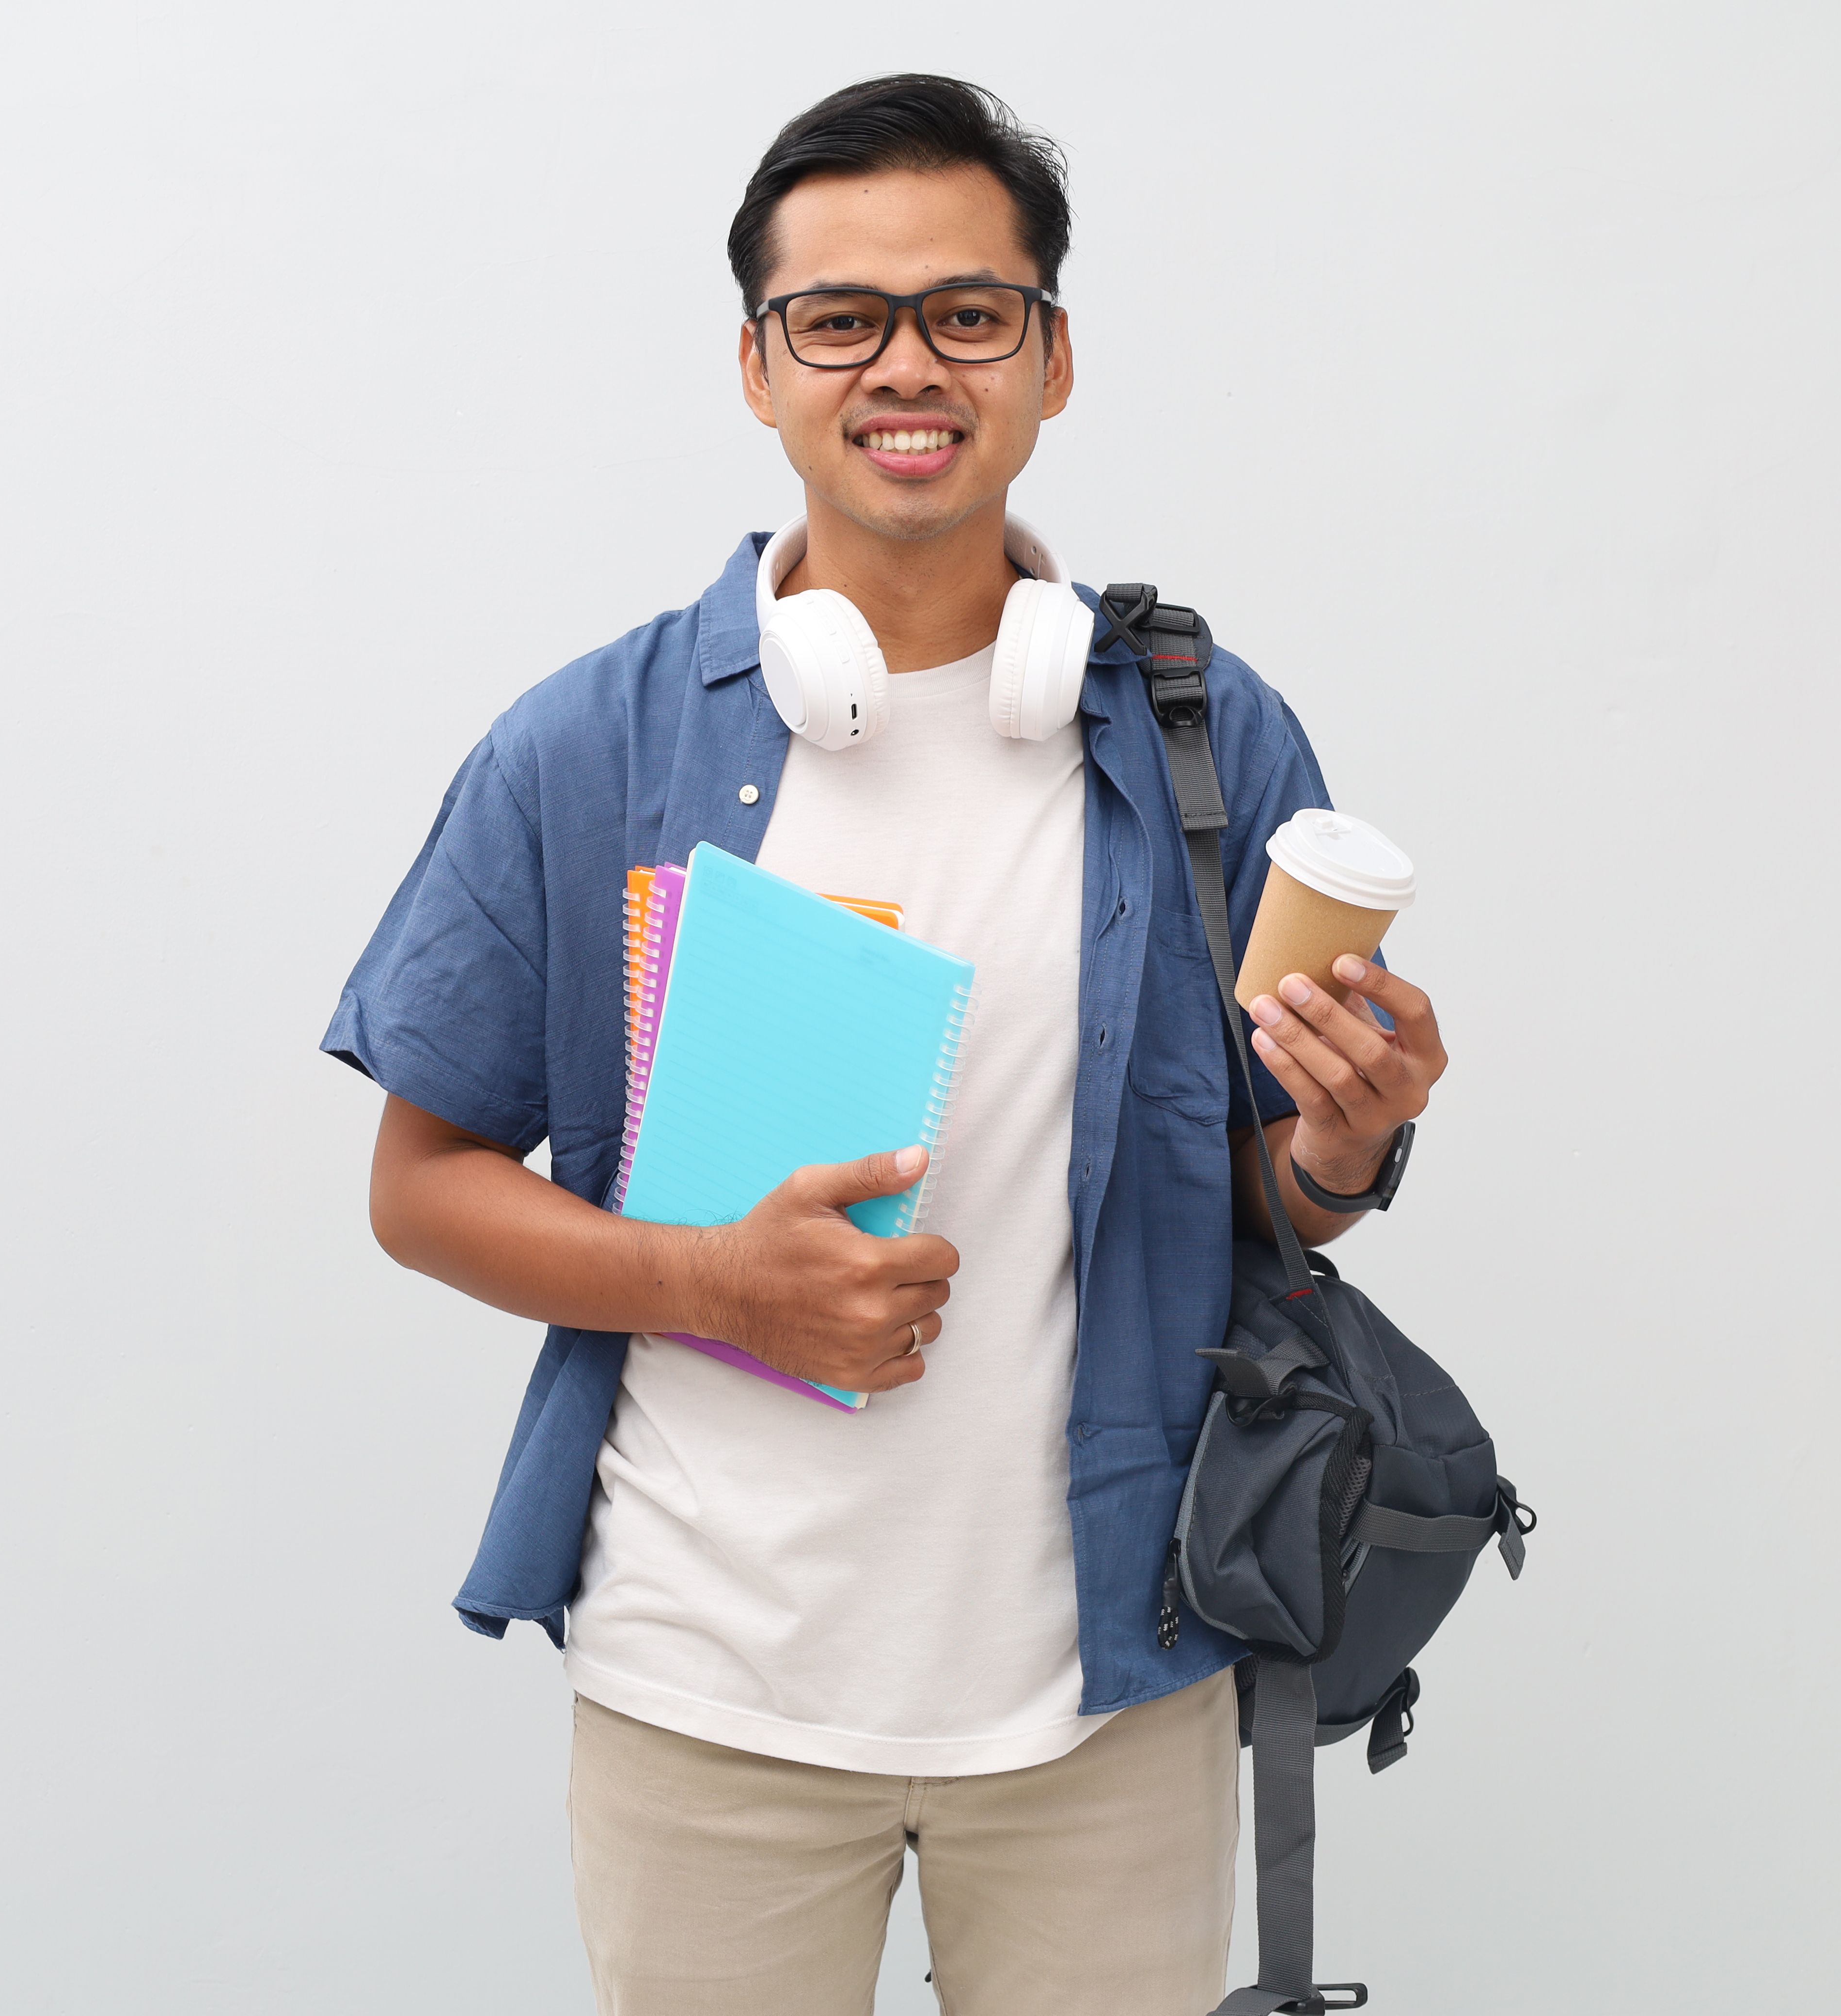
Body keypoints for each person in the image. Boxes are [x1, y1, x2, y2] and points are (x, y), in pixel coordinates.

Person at [325, 74, 1448, 2016]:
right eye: (839, 317)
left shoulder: (1203, 739)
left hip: (1111, 1676)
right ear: (758, 369)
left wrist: (1344, 1146)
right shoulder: (590, 749)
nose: (904, 364)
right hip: (710, 1688)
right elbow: (418, 1188)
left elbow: (1267, 1195)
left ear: (1054, 355)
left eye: (968, 310)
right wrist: (706, 1276)